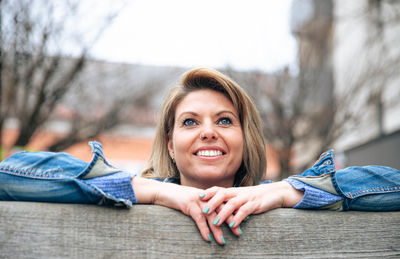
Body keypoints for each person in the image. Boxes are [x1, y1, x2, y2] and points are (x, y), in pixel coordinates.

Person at [1, 68, 399, 246]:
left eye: (225, 120)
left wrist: (287, 192)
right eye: (190, 122)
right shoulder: (140, 195)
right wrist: (157, 194)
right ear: (171, 145)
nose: (208, 130)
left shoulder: (281, 196)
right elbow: (9, 175)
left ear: (246, 140)